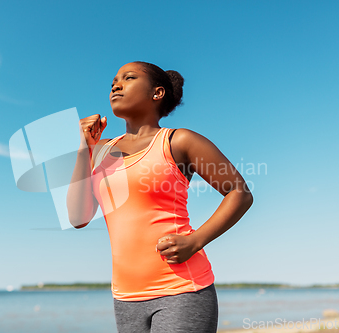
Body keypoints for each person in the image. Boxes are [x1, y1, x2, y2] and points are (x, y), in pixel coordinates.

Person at [66, 61, 253, 333]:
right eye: (113, 82)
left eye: (128, 78)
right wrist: (84, 150)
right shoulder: (100, 151)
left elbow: (240, 193)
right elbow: (78, 218)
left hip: (182, 290)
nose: (116, 85)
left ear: (157, 93)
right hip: (125, 297)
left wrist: (195, 240)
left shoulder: (179, 142)